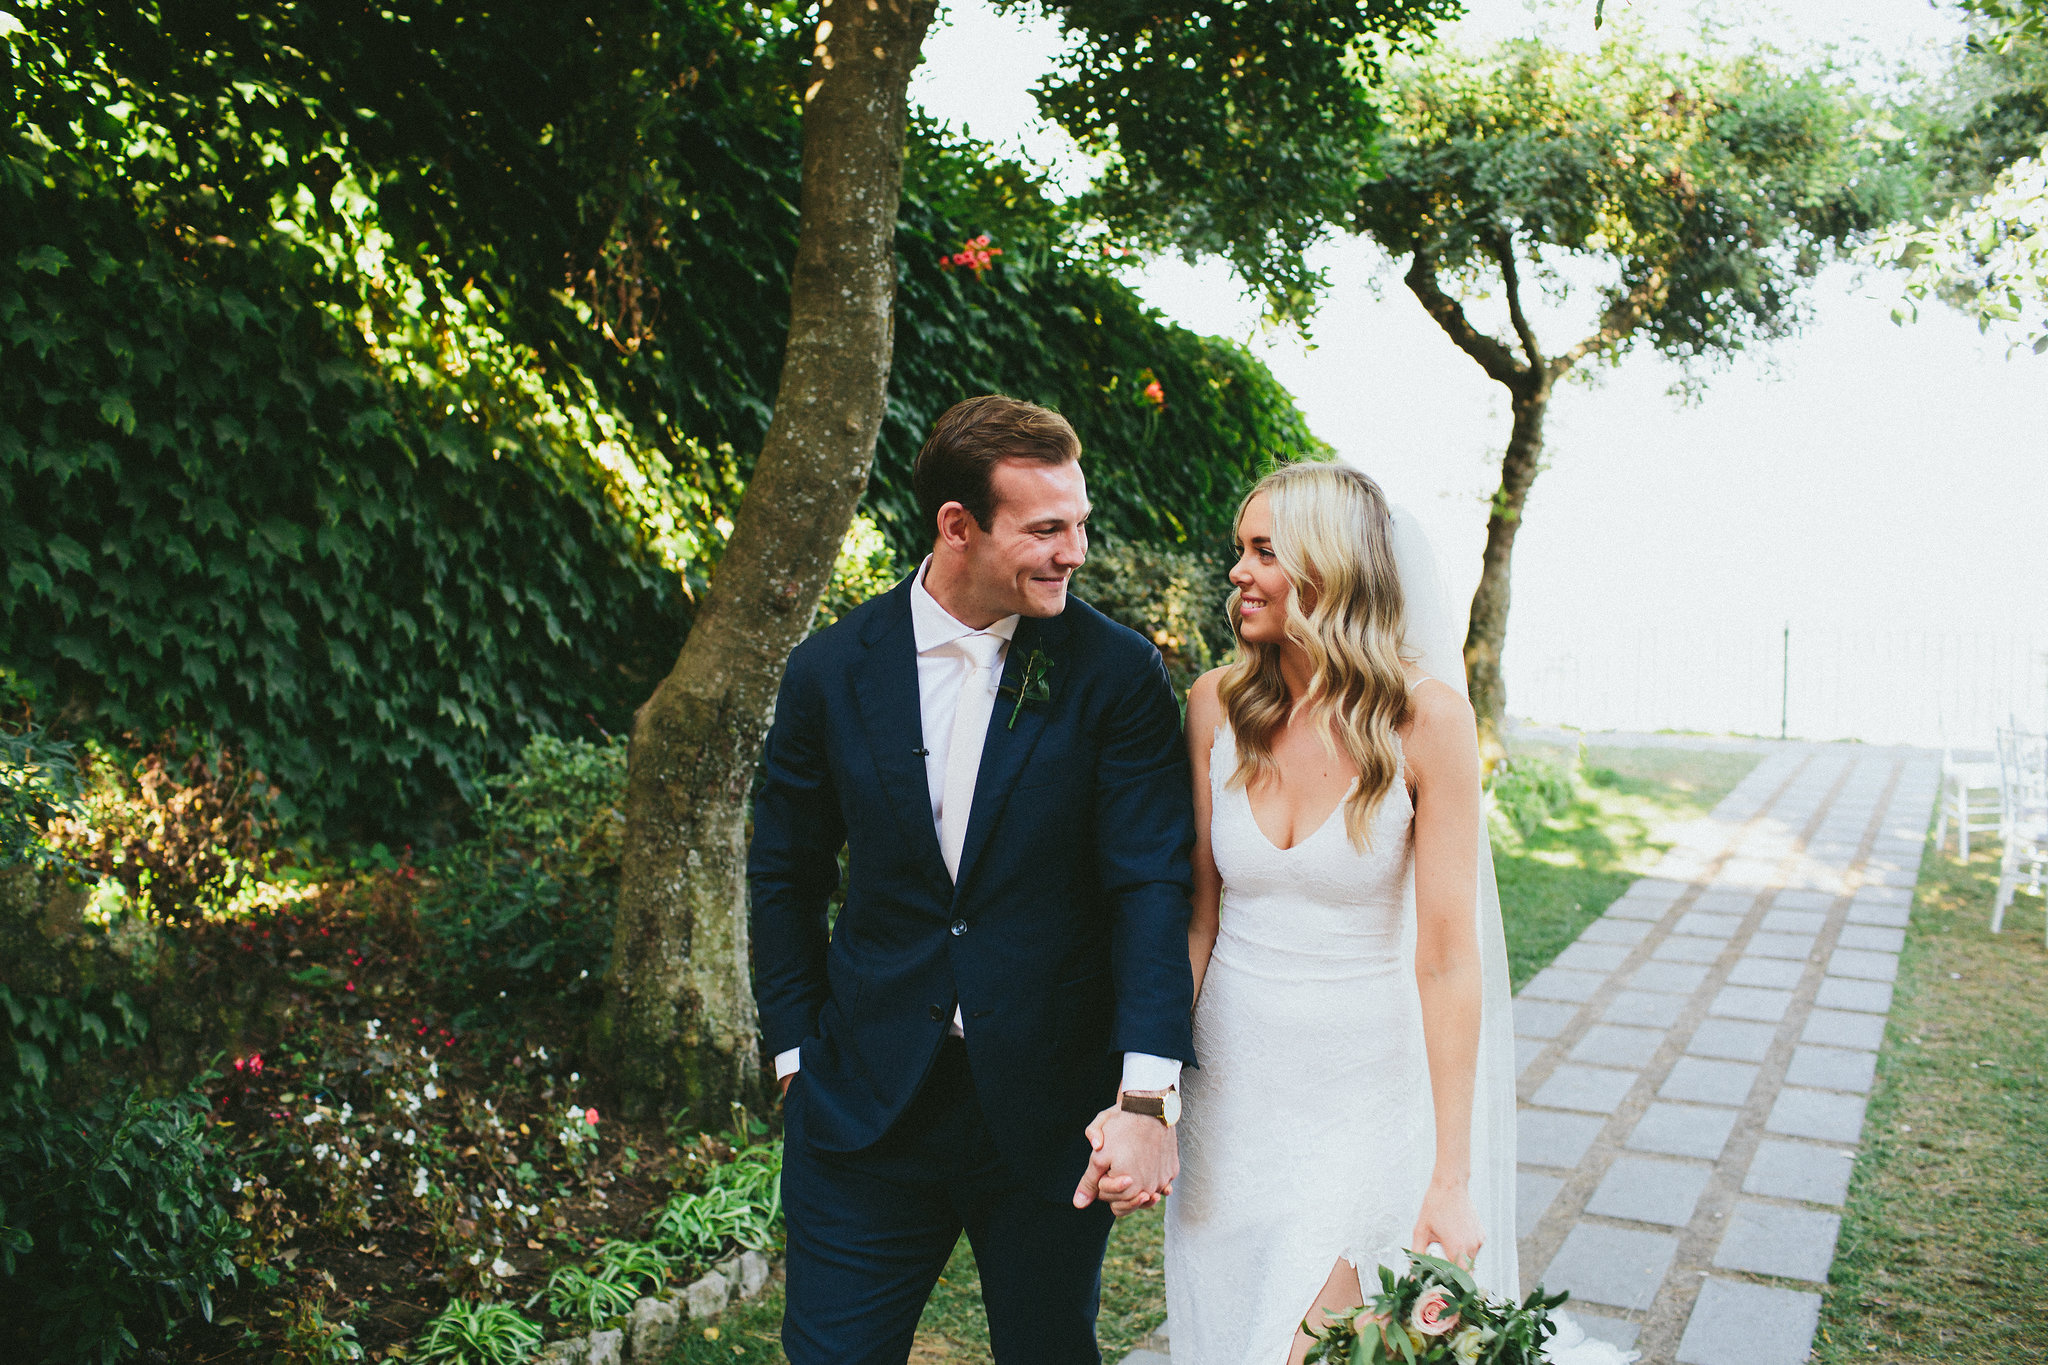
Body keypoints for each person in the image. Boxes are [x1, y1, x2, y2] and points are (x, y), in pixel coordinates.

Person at [748, 394, 1197, 1364]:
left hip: (1046, 1109)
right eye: (1045, 529)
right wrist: (793, 1053)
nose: (1074, 550)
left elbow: (1149, 886)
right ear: (958, 527)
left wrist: (1147, 1092)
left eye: (1079, 521)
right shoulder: (830, 668)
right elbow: (783, 870)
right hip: (865, 1105)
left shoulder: (1114, 674)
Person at [1161, 462, 1531, 1363]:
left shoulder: (1427, 721)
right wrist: (1148, 1090)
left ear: (1329, 571)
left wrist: (1451, 1174)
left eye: (1263, 552)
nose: (1237, 573)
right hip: (1232, 1101)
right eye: (1238, 551)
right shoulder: (1217, 705)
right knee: (1227, 1337)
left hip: (1364, 1101)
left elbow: (1448, 957)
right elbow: (1197, 923)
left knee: (1313, 1348)